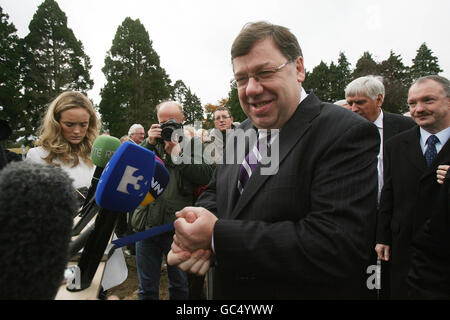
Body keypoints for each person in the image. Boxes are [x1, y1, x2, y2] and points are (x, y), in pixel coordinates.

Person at [168, 21, 380, 299]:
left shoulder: (345, 132)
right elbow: (217, 191)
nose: (252, 89)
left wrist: (217, 237)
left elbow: (334, 245)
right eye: (241, 79)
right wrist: (196, 225)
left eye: (265, 72)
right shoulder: (239, 133)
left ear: (299, 68)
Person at [25, 91, 128, 297]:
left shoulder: (101, 153)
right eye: (69, 124)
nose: (77, 131)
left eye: (83, 124)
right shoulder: (38, 156)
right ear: (56, 122)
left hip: (99, 247)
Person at [376, 75, 450, 299]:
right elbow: (388, 193)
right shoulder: (395, 145)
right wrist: (383, 236)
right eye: (412, 103)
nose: (418, 109)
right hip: (405, 250)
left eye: (428, 101)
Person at [130, 101, 213, 300]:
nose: (168, 126)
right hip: (146, 224)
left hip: (177, 228)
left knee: (179, 286)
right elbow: (131, 169)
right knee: (146, 287)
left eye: (172, 121)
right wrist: (148, 144)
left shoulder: (193, 144)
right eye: (162, 122)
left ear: (182, 120)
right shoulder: (151, 144)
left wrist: (178, 154)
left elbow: (206, 176)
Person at [345, 75, 416, 299]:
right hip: (357, 213)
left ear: (379, 100)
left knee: (391, 274)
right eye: (350, 102)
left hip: (396, 213)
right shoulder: (342, 129)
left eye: (360, 102)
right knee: (360, 273)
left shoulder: (405, 127)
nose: (354, 108)